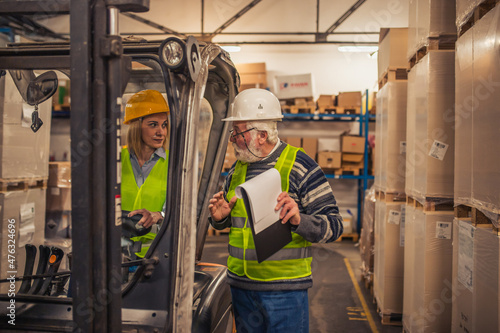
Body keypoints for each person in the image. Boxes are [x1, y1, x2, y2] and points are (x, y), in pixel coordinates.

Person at [208, 88, 343, 332]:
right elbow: (238, 226)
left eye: (237, 132)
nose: (232, 139)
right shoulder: (236, 170)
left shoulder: (300, 166)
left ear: (260, 135)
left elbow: (334, 226)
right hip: (241, 289)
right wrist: (220, 219)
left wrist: (299, 220)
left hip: (284, 293)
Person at [121, 89, 169, 258]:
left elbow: (182, 207)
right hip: (118, 256)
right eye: (153, 124)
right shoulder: (117, 160)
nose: (161, 132)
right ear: (136, 126)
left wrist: (160, 215)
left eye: (164, 125)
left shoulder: (173, 164)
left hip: (156, 258)